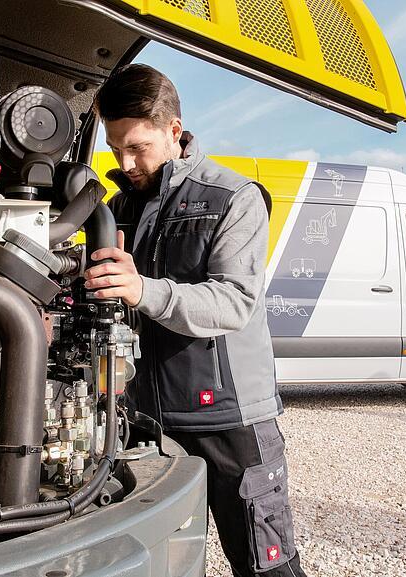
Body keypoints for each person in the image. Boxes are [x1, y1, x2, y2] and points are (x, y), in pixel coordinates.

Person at [83, 64, 308, 577]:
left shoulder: (233, 198)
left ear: (174, 130)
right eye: (116, 147)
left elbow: (233, 302)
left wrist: (143, 290)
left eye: (137, 146)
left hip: (229, 421)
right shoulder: (118, 208)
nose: (125, 161)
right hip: (149, 424)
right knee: (170, 565)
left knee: (265, 566)